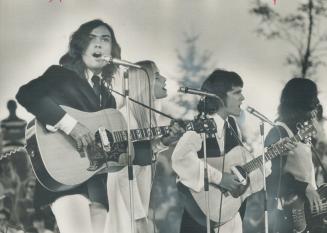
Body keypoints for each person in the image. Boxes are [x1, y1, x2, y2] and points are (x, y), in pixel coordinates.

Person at [15, 19, 121, 233]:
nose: (99, 45)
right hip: (63, 180)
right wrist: (70, 126)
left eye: (105, 39)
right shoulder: (60, 75)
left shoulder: (108, 98)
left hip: (97, 187)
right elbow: (27, 94)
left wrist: (158, 142)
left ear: (112, 50)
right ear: (80, 46)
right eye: (92, 39)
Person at [171, 69, 277, 233]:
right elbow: (181, 159)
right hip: (199, 219)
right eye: (237, 92)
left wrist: (272, 152)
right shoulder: (200, 126)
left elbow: (240, 166)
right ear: (219, 97)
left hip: (230, 216)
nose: (242, 98)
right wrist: (220, 179)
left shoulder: (233, 126)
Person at [104, 60, 184, 233]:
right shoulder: (124, 117)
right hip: (127, 202)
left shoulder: (145, 116)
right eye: (156, 76)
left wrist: (164, 142)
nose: (164, 80)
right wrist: (139, 218)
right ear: (143, 83)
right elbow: (122, 172)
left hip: (137, 199)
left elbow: (142, 153)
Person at [265, 78, 323, 233]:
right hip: (287, 218)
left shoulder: (303, 134)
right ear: (300, 101)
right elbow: (271, 181)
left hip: (309, 215)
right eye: (312, 98)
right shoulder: (278, 133)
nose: (317, 103)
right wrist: (304, 187)